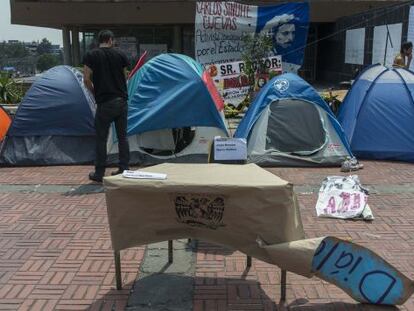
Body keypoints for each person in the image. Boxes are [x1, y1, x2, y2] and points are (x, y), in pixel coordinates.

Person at [83, 30, 130, 183]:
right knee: (123, 137)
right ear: (110, 40)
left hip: (104, 102)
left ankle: (99, 172)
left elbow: (86, 79)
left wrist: (95, 92)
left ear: (100, 40)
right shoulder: (120, 55)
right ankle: (124, 168)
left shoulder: (91, 55)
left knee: (101, 138)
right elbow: (126, 76)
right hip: (121, 101)